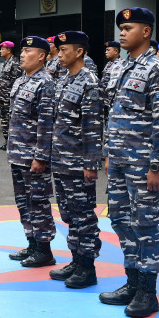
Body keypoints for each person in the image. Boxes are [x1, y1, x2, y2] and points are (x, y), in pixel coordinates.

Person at [101, 7, 159, 318]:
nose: (122, 32)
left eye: (128, 27)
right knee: (120, 219)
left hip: (142, 162)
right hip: (117, 158)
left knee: (145, 224)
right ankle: (131, 282)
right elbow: (112, 114)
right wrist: (107, 153)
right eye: (121, 27)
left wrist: (156, 164)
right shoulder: (117, 68)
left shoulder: (157, 69)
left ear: (146, 32)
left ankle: (147, 291)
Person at [48, 31, 104, 288]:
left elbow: (93, 127)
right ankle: (76, 259)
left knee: (83, 215)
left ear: (79, 51)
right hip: (61, 159)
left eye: (64, 49)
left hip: (79, 163)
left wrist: (90, 164)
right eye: (58, 50)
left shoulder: (89, 82)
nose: (59, 54)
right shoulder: (63, 80)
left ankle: (87, 267)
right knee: (70, 214)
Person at [6, 36, 56, 268]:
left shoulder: (45, 83)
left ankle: (44, 249)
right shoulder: (20, 81)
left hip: (33, 156)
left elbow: (46, 124)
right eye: (22, 51)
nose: (22, 55)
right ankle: (32, 243)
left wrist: (41, 156)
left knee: (38, 202)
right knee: (23, 202)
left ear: (42, 56)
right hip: (17, 152)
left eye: (28, 51)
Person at [0, 41, 23, 151]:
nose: (1, 51)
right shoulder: (5, 63)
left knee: (10, 119)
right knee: (4, 119)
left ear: (9, 50)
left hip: (10, 97)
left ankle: (12, 142)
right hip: (3, 96)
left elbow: (17, 82)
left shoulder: (15, 63)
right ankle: (6, 140)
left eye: (3, 49)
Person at [101, 41, 123, 122]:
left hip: (112, 101)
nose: (105, 52)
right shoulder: (109, 64)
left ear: (116, 51)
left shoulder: (120, 65)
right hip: (105, 100)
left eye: (108, 50)